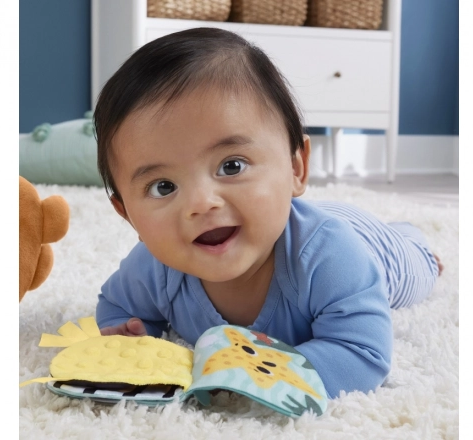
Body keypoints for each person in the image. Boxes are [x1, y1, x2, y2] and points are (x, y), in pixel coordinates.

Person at [93, 27, 442, 399]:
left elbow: (363, 354)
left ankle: (414, 241)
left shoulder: (332, 258)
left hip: (367, 241)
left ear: (296, 169)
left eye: (231, 166)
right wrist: (136, 334)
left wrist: (258, 374)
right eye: (163, 187)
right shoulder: (152, 270)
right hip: (292, 219)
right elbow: (116, 306)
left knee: (418, 268)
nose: (201, 202)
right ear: (128, 215)